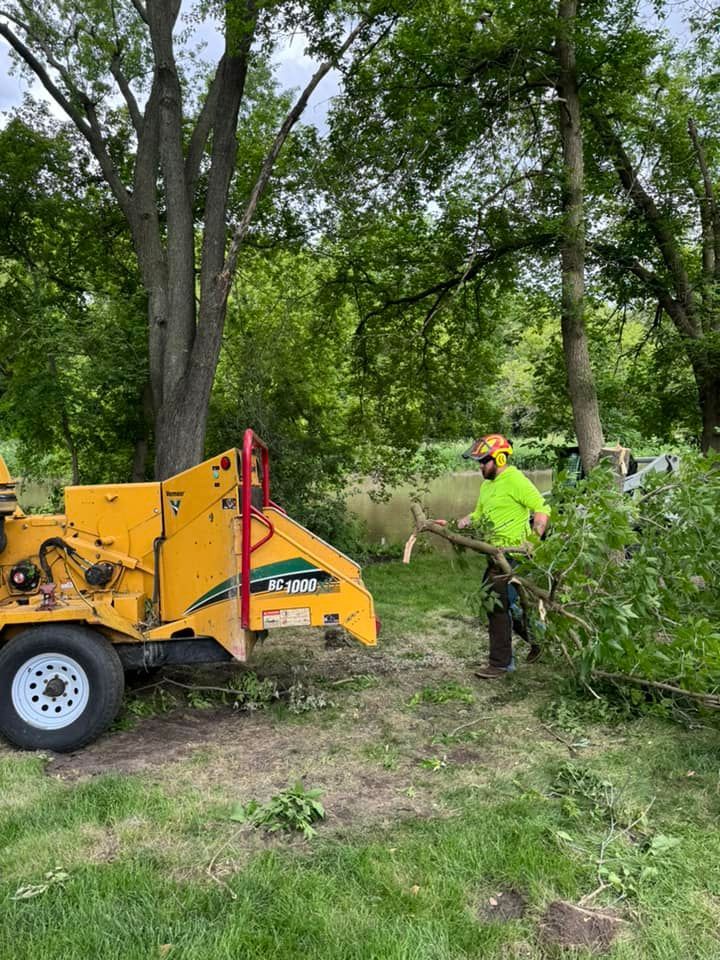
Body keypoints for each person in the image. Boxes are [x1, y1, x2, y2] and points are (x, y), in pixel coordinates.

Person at [458, 434, 549, 679]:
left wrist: (533, 540)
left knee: (496, 604)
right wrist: (465, 521)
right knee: (509, 604)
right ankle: (540, 640)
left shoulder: (516, 480)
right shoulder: (487, 485)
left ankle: (500, 664)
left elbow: (542, 508)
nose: (480, 467)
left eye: (483, 462)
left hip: (513, 556)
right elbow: (480, 513)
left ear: (499, 458)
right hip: (494, 555)